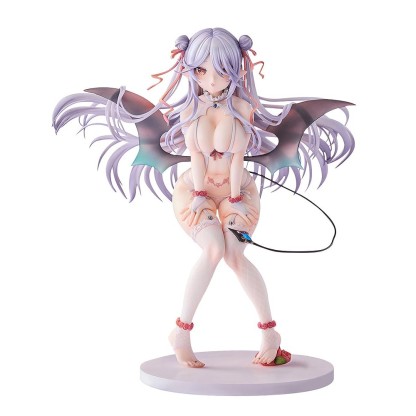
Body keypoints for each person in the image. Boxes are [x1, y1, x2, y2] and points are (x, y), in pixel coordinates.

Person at [53, 27, 354, 369]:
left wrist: (236, 196)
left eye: (222, 70)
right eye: (201, 70)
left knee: (234, 255)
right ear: (189, 68)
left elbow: (238, 159)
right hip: (194, 191)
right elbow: (196, 157)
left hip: (239, 191)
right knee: (213, 250)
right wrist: (198, 194)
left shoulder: (242, 106)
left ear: (237, 68)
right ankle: (181, 331)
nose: (211, 80)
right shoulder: (189, 111)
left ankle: (270, 333)